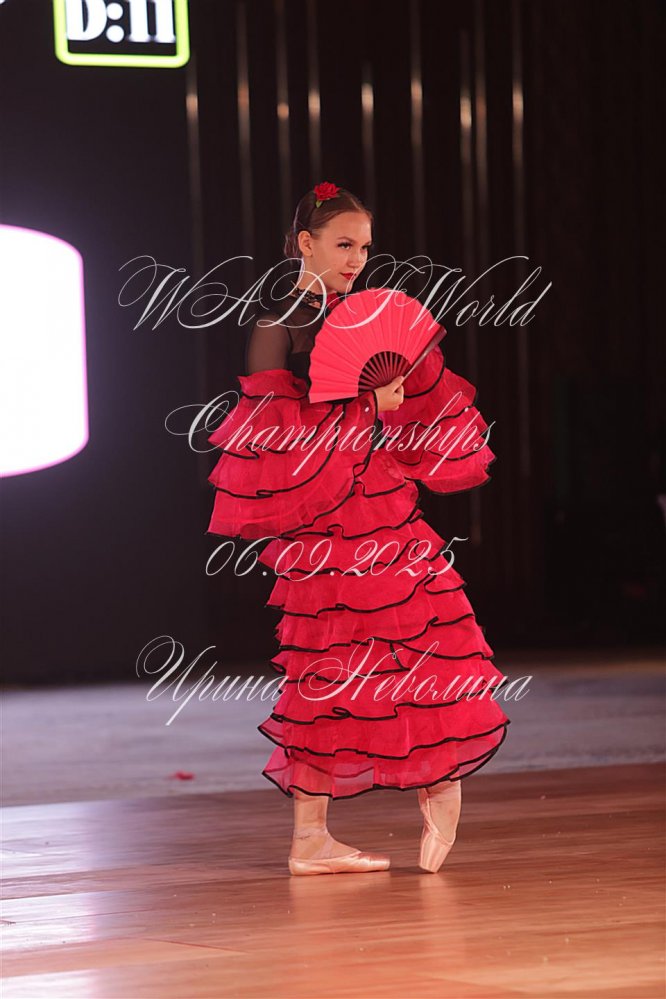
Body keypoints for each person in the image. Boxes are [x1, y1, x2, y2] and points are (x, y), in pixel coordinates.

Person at [206, 182, 511, 876]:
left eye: (365, 248)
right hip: (324, 524)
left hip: (381, 504)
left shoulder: (364, 316)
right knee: (329, 666)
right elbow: (272, 442)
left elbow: (409, 416)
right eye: (344, 244)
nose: (356, 259)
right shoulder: (280, 322)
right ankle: (314, 834)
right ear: (304, 243)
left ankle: (436, 781)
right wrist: (363, 403)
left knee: (427, 632)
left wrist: (392, 404)